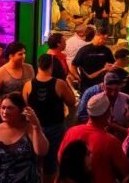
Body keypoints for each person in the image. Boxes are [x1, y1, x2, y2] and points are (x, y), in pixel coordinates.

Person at [23, 54, 77, 183]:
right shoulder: (59, 84)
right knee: (51, 162)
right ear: (51, 66)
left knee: (35, 159)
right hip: (55, 128)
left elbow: (26, 105)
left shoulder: (28, 85)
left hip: (35, 129)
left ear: (38, 66)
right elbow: (72, 101)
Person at [58, 94, 129, 183]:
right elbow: (126, 172)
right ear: (107, 113)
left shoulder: (71, 131)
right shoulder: (110, 141)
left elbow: (60, 159)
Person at [0, 92, 48, 183]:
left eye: (10, 108)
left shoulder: (30, 128)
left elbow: (41, 152)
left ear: (21, 111)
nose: (5, 112)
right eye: (3, 108)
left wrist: (36, 126)